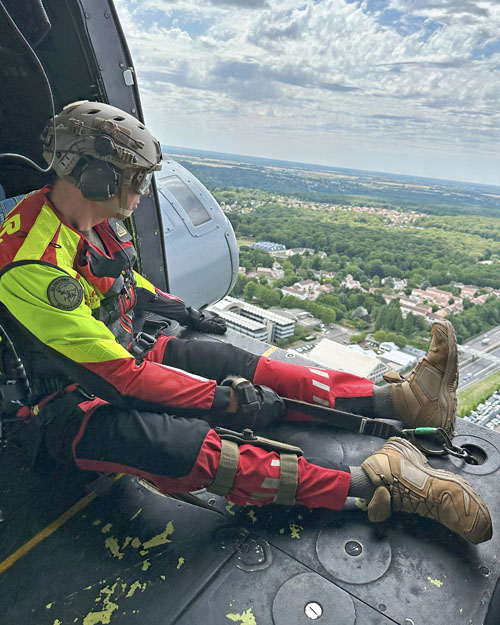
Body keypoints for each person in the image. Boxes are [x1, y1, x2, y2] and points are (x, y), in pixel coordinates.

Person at [0, 100, 491, 545]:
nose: (142, 189)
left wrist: (181, 311)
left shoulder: (92, 215)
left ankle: (399, 401)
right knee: (188, 448)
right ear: (96, 177)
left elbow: (124, 281)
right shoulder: (33, 264)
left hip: (119, 350)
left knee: (232, 360)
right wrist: (222, 401)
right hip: (61, 407)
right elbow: (120, 380)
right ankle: (377, 484)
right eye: (134, 177)